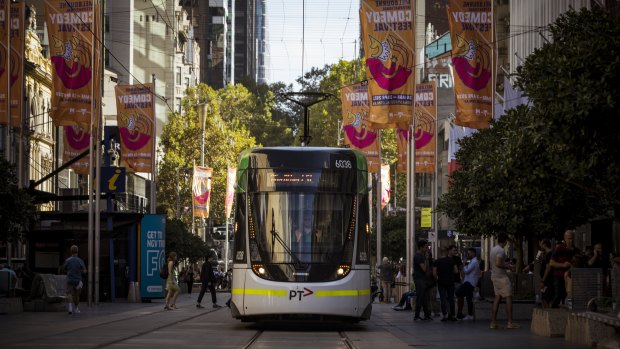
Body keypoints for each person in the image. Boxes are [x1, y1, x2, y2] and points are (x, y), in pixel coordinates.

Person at [490, 233, 519, 329]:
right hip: (502, 277)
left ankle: (493, 322)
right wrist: (509, 266)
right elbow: (498, 263)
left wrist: (505, 263)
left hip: (494, 276)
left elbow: (497, 262)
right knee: (508, 298)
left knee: (497, 298)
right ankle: (510, 322)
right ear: (505, 241)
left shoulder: (493, 249)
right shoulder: (501, 250)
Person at [549, 230, 580, 308]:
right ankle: (552, 308)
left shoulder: (576, 250)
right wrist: (563, 265)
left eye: (572, 238)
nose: (571, 241)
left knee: (568, 294)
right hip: (559, 275)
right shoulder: (559, 248)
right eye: (569, 238)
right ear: (565, 239)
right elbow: (551, 263)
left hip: (570, 276)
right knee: (558, 294)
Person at [60, 245, 87, 315]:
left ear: (71, 251)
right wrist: (80, 271)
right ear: (77, 251)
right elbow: (84, 271)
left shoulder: (68, 260)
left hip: (70, 280)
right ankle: (76, 308)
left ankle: (70, 309)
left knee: (69, 294)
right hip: (78, 281)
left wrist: (68, 271)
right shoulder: (80, 260)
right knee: (77, 295)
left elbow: (63, 269)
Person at [433, 246, 457, 321]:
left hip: (441, 282)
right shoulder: (451, 260)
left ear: (439, 253)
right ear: (446, 252)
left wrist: (437, 278)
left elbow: (434, 273)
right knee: (451, 299)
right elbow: (456, 271)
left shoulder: (437, 261)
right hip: (450, 281)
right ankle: (453, 315)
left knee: (443, 299)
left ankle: (445, 315)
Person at [456, 248, 480, 320]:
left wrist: (463, 264)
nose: (468, 255)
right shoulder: (473, 261)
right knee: (466, 297)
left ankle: (470, 315)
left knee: (464, 295)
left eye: (469, 253)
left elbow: (466, 271)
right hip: (468, 282)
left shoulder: (474, 262)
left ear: (473, 253)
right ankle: (469, 314)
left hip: (469, 282)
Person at [413, 239, 432, 321]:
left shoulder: (421, 256)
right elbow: (424, 269)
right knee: (420, 297)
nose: (427, 249)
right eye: (425, 247)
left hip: (422, 279)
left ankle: (426, 315)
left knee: (424, 298)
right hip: (420, 279)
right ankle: (416, 315)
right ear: (421, 247)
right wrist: (427, 259)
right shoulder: (418, 257)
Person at [538, 238, 555, 308]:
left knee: (546, 298)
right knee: (544, 298)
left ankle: (549, 313)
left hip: (547, 281)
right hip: (546, 280)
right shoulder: (546, 254)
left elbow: (548, 268)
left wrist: (543, 280)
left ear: (544, 245)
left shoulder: (549, 254)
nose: (540, 246)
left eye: (541, 244)